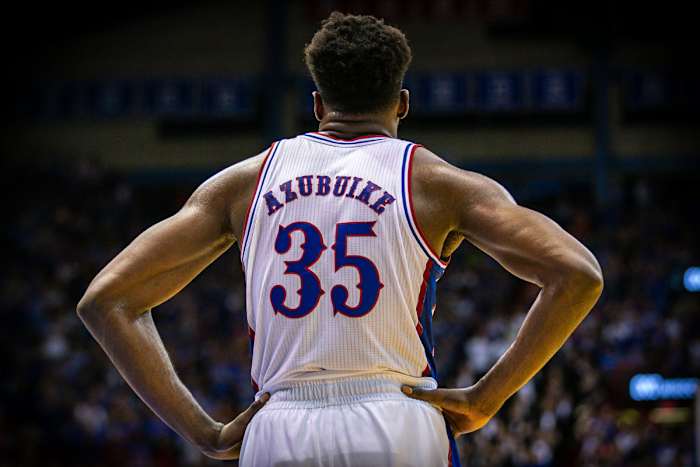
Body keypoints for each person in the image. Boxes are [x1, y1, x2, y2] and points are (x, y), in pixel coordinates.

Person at [77, 12, 603, 466]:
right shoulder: (439, 184)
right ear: (401, 103)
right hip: (397, 418)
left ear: (316, 103)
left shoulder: (241, 185)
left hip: (278, 423)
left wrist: (206, 434)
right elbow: (577, 274)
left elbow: (107, 301)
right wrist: (488, 398)